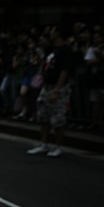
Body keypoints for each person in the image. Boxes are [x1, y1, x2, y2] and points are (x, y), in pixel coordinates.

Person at [27, 28, 75, 157]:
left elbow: (64, 71)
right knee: (43, 115)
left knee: (57, 117)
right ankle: (43, 143)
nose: (51, 33)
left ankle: (58, 146)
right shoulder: (52, 50)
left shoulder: (66, 51)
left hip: (58, 87)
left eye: (54, 31)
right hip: (47, 86)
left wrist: (57, 90)